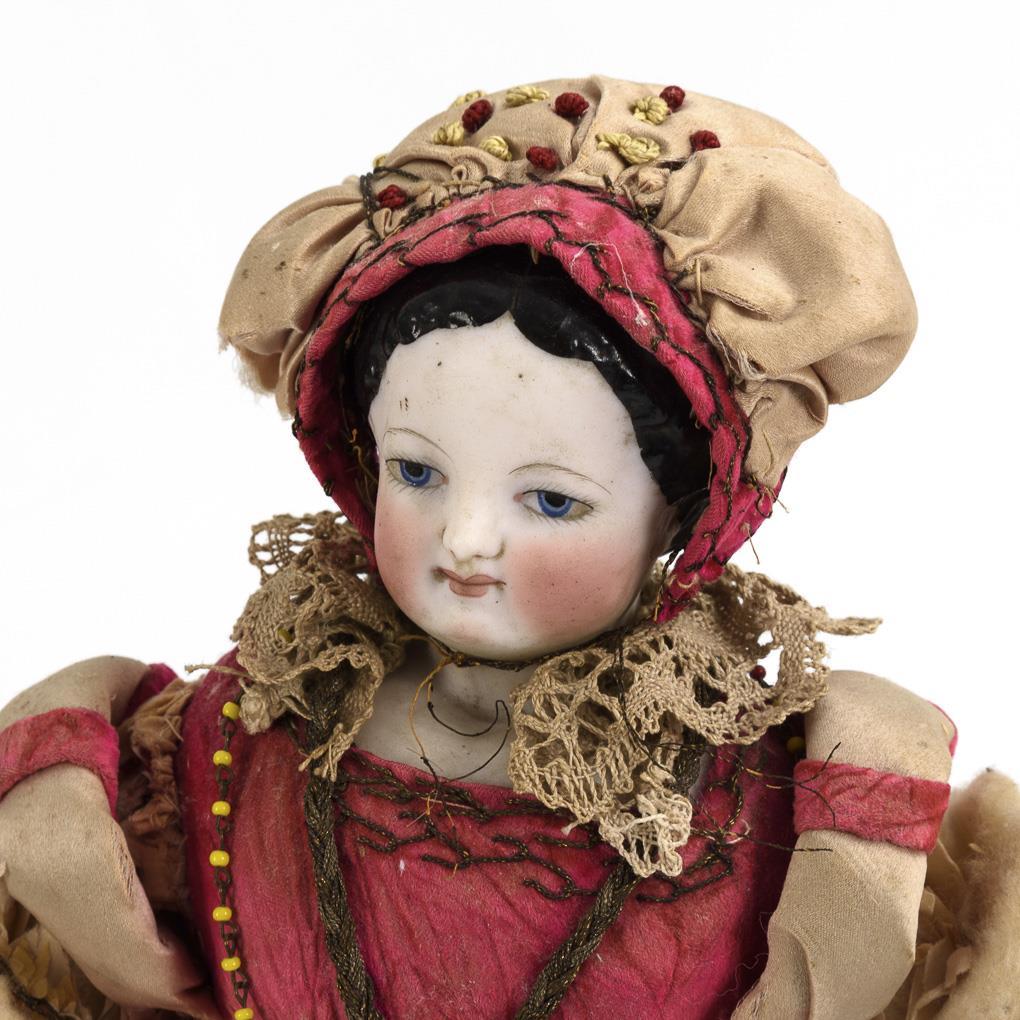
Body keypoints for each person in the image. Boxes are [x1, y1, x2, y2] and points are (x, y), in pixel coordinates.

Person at [2, 76, 1017, 1020]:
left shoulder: (769, 798)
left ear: (682, 518)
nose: (466, 537)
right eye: (416, 472)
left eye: (552, 500)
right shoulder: (257, 726)